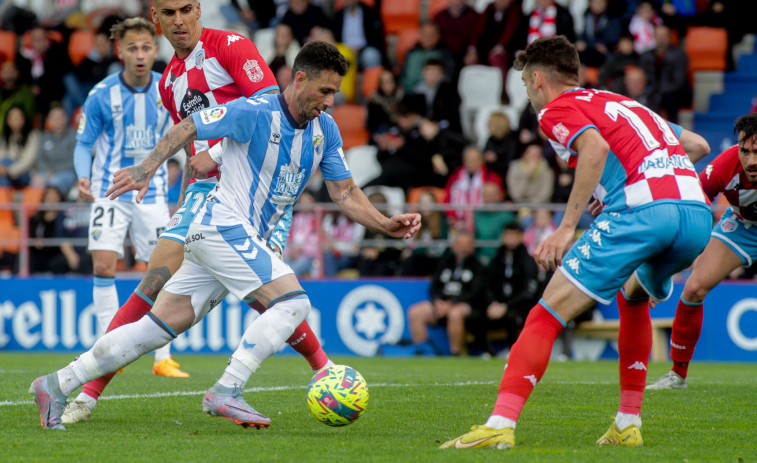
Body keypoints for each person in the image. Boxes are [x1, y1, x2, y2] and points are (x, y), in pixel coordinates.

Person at [29, 40, 421, 430]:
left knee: (152, 331)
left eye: (335, 92)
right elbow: (189, 126)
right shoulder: (253, 111)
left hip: (221, 239)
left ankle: (55, 384)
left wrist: (384, 223)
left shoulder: (326, 130)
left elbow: (345, 192)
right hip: (221, 224)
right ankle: (227, 390)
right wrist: (147, 168)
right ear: (300, 79)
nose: (330, 101)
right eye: (325, 91)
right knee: (293, 303)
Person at [60, 0, 329, 425]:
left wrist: (218, 152)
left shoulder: (232, 46)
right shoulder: (168, 83)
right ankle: (86, 392)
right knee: (154, 281)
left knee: (270, 300)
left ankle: (322, 371)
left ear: (199, 10)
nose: (179, 20)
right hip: (206, 191)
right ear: (157, 19)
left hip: (252, 191)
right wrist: (180, 188)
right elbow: (192, 147)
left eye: (186, 9)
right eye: (169, 13)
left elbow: (268, 112)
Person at [440, 35, 712, 450]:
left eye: (526, 86)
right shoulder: (623, 104)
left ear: (536, 80)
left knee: (545, 315)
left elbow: (595, 148)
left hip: (641, 215)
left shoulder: (556, 109)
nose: (528, 94)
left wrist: (568, 226)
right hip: (694, 217)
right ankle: (627, 423)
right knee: (632, 296)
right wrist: (640, 183)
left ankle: (500, 422)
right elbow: (697, 145)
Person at [72, 17, 176, 385]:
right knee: (103, 266)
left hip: (154, 191)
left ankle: (162, 357)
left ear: (155, 49)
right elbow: (85, 143)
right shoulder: (101, 94)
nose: (140, 55)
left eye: (147, 47)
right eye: (132, 48)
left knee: (161, 271)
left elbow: (190, 130)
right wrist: (82, 175)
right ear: (120, 51)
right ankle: (109, 348)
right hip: (109, 189)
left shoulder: (168, 90)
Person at [647, 113, 757, 390]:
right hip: (744, 227)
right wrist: (660, 270)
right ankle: (677, 376)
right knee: (693, 288)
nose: (751, 160)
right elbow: (689, 209)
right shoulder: (724, 167)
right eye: (745, 151)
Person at [407, 231, 486, 356]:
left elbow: (476, 292)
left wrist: (451, 303)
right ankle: (423, 351)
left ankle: (455, 353)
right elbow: (434, 287)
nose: (463, 248)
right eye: (460, 244)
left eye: (467, 244)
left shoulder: (478, 266)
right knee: (415, 312)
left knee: (455, 313)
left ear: (472, 247)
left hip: (464, 305)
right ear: (454, 246)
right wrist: (437, 302)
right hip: (441, 304)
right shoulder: (445, 263)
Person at [0, 105, 39, 188]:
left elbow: (28, 161)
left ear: (24, 118)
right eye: (12, 117)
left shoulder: (32, 135)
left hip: (26, 173)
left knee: (5, 162)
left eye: (18, 116)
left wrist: (8, 170)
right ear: (7, 120)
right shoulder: (5, 137)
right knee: (3, 175)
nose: (15, 119)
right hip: (6, 173)